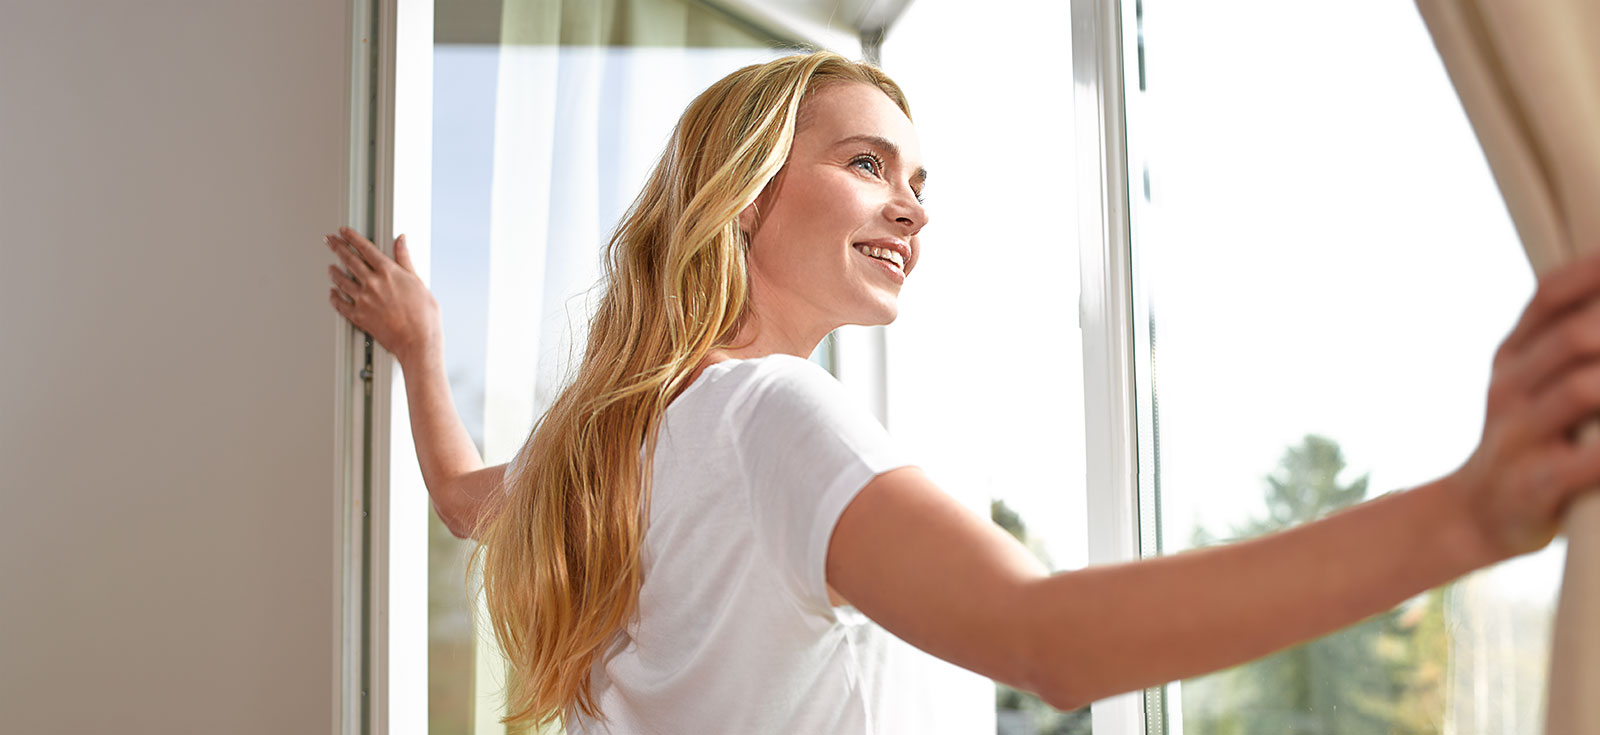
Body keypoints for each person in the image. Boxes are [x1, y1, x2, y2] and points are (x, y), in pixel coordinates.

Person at [322, 50, 1600, 733]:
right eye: (868, 161)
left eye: (920, 180)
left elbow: (459, 500)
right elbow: (1043, 642)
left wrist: (423, 349)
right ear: (746, 195)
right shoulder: (774, 418)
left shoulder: (613, 439)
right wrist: (1466, 519)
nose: (911, 207)